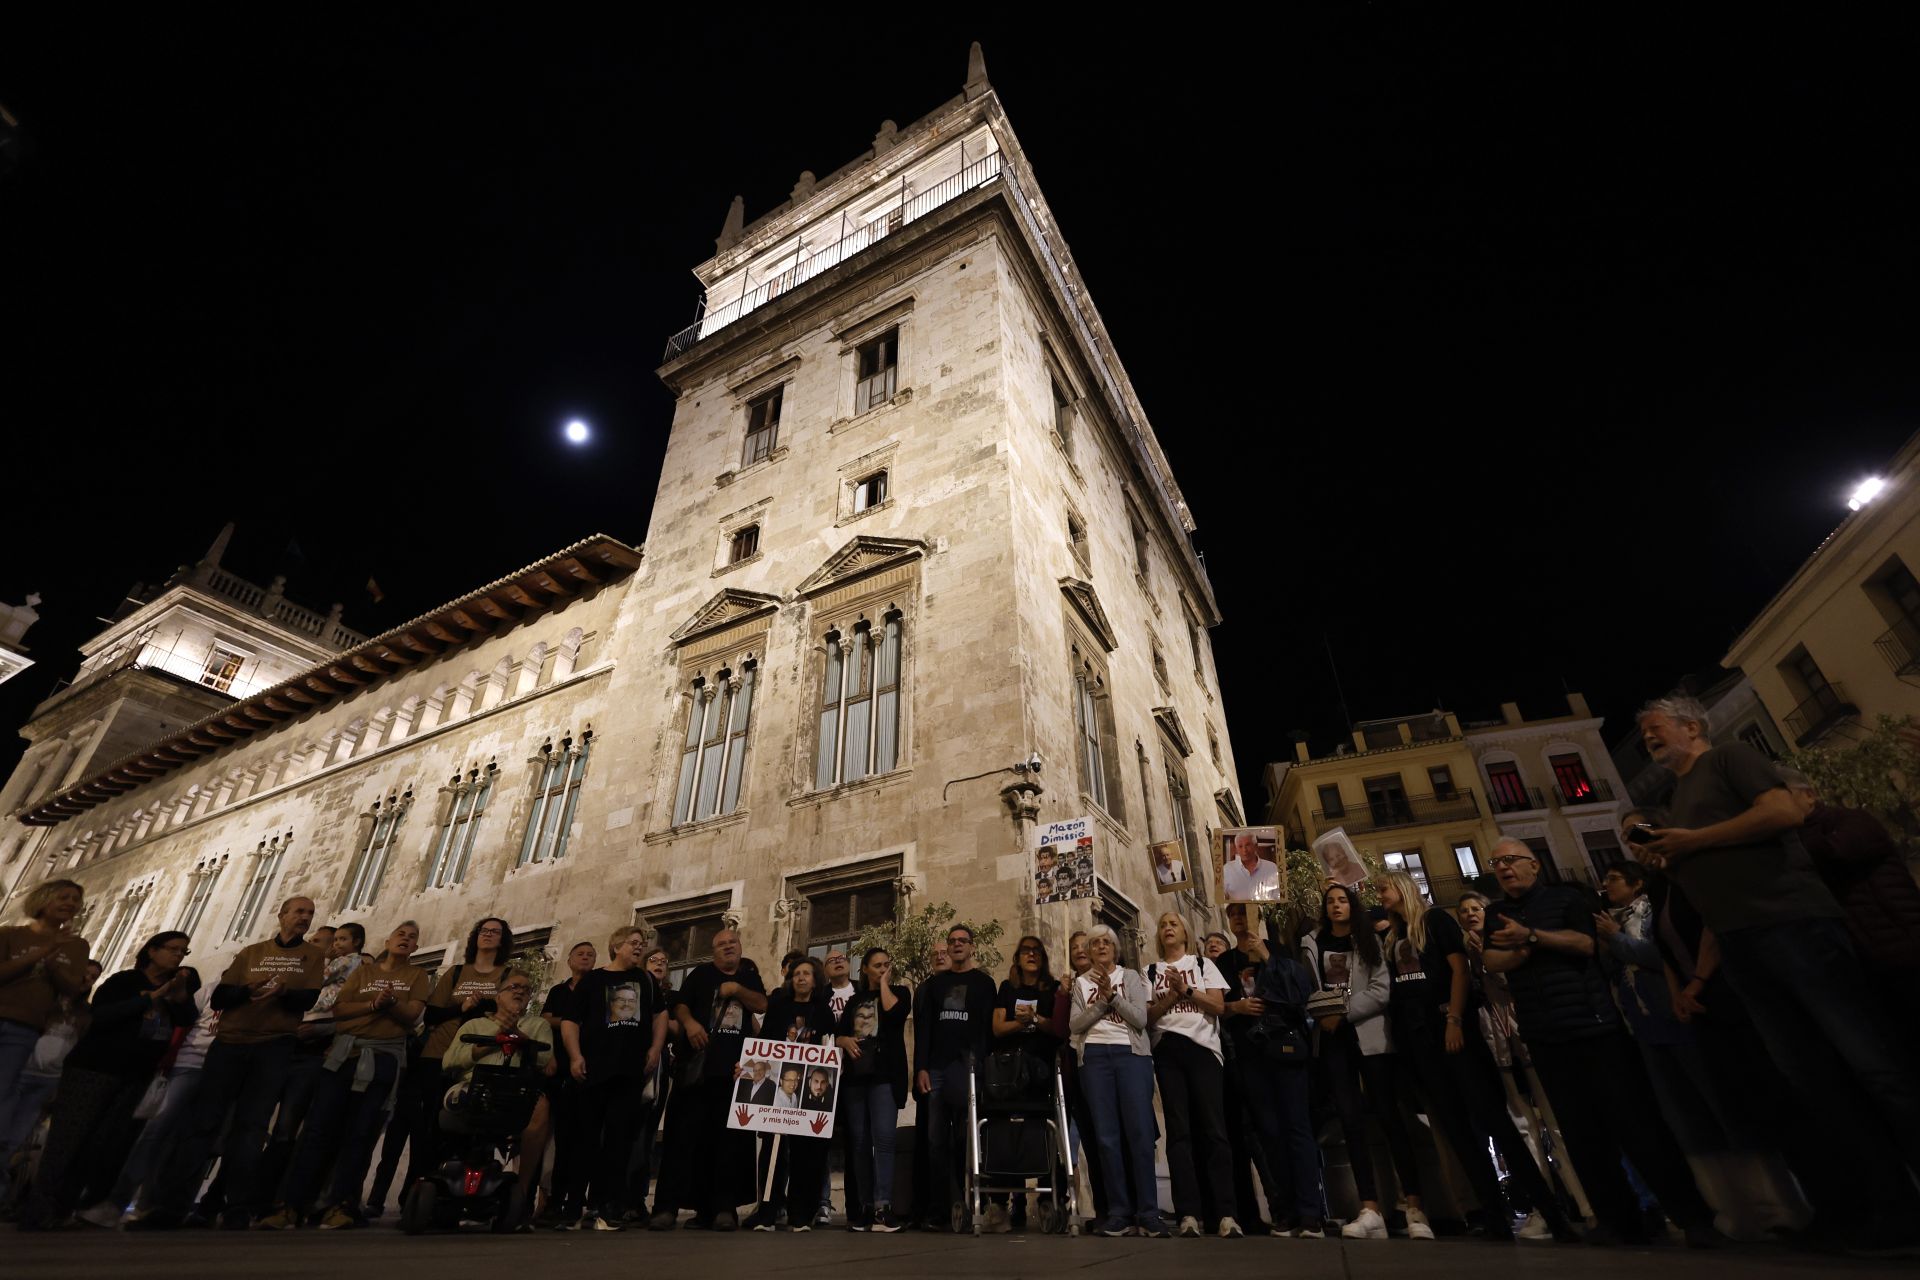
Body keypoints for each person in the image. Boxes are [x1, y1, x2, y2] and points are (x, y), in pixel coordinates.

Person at [1638, 697, 1920, 1247]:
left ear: (1691, 726)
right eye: (1644, 732)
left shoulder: (1730, 758)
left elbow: (1783, 813)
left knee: (1873, 1064)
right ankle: (1892, 1207)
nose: (1647, 737)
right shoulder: (1677, 797)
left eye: (1654, 727)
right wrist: (1674, 859)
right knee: (1817, 1081)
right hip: (1742, 944)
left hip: (1793, 924)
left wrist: (1694, 841)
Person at [1479, 836, 1719, 1247]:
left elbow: (1585, 943)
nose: (1503, 867)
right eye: (1496, 862)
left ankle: (1690, 1216)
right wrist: (1524, 951)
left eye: (1512, 859)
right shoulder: (1495, 913)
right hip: (1544, 1035)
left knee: (1638, 1126)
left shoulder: (1567, 899)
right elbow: (1491, 959)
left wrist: (1530, 937)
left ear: (1534, 865)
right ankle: (1617, 1220)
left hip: (1595, 1029)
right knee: (1581, 1135)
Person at [1377, 871, 1574, 1244]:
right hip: (1421, 1044)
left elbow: (1459, 970)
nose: (1380, 895)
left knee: (1495, 1123)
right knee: (1458, 1134)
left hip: (1453, 1033)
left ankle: (1550, 1212)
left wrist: (1454, 1019)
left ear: (1401, 888)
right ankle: (1493, 1217)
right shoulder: (1393, 936)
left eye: (1383, 888)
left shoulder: (1435, 921)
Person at [132, 895, 326, 1230]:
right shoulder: (251, 952)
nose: (305, 917)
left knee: (251, 1127)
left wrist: (282, 993)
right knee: (202, 1124)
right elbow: (221, 997)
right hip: (230, 1043)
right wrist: (247, 990)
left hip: (273, 1046)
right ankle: (171, 1207)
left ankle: (236, 1207)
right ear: (282, 914)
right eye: (299, 911)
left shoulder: (313, 956)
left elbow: (308, 999)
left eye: (310, 913)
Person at [20, 933, 198, 1230]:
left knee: (102, 1144)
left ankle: (65, 1208)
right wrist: (151, 997)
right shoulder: (124, 981)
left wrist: (179, 996)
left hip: (135, 1076)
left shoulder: (174, 991)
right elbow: (101, 1015)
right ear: (152, 951)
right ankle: (38, 1211)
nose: (178, 955)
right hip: (96, 1068)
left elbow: (187, 1018)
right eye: (173, 949)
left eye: (184, 951)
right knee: (69, 1140)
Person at [261, 920, 430, 1229]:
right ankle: (291, 1205)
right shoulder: (363, 972)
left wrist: (390, 1004)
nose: (405, 939)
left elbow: (412, 1015)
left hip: (382, 1059)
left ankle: (339, 1205)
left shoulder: (417, 976)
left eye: (412, 937)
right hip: (343, 1056)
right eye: (400, 934)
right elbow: (340, 1011)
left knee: (360, 1132)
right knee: (317, 1130)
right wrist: (375, 1004)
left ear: (416, 947)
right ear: (388, 941)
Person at [1301, 883, 1423, 1239]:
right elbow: (1310, 987)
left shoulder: (1368, 942)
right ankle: (1369, 1207)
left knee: (1389, 1116)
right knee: (1350, 1121)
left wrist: (1342, 1013)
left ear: (1353, 906)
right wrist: (1324, 1016)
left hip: (1370, 1037)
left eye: (1343, 900)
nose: (1336, 905)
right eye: (1330, 901)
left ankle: (1414, 1205)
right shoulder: (1312, 944)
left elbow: (1381, 990)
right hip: (1333, 1042)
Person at [1780, 767, 1920, 1064]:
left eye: (1782, 797)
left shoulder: (1850, 821)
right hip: (1874, 959)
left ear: (1809, 794)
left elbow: (1833, 852)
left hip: (1904, 944)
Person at [1218, 912, 1326, 1237]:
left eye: (1245, 911)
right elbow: (1216, 1005)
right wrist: (1235, 1007)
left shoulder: (1278, 951)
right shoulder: (1225, 961)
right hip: (1250, 1055)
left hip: (1285, 1049)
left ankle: (1311, 1213)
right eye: (1233, 912)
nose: (1240, 918)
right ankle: (1287, 1211)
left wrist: (1266, 956)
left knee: (1297, 1128)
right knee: (1270, 1133)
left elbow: (1300, 992)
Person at [651, 927, 766, 1232]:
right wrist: (689, 1024)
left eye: (732, 942)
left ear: (740, 947)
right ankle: (666, 1208)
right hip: (696, 1071)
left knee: (727, 1145)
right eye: (721, 944)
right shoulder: (700, 974)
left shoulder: (748, 976)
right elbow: (679, 1004)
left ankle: (723, 1208)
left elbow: (761, 1004)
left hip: (734, 1074)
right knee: (682, 1142)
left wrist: (737, 989)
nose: (728, 947)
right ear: (713, 951)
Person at [560, 925, 668, 1231]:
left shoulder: (645, 980)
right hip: (594, 1071)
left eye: (642, 943)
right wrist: (575, 1056)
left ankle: (608, 1207)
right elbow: (570, 1021)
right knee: (585, 1139)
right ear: (616, 946)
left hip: (630, 1073)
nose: (639, 947)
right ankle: (572, 1206)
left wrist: (656, 1048)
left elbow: (660, 1015)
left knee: (619, 1142)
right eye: (633, 942)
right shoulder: (594, 980)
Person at [1143, 912, 1241, 1238]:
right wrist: (1171, 996)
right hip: (1168, 1051)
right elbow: (1148, 1017)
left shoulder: (1202, 965)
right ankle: (1188, 1213)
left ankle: (1225, 1212)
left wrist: (1185, 989)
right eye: (1163, 924)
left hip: (1203, 1050)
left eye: (1173, 923)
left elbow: (1218, 1007)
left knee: (1214, 1131)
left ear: (1185, 932)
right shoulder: (1150, 971)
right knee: (1178, 1132)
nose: (1167, 928)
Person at [401, 917, 513, 1198]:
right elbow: (432, 1015)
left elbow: (510, 1012)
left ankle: (459, 1194)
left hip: (479, 1060)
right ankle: (416, 1192)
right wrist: (463, 1007)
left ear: (503, 939)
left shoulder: (508, 974)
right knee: (428, 1127)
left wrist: (482, 1006)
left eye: (495, 932)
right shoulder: (456, 972)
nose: (488, 935)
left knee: (468, 1129)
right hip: (438, 1054)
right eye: (484, 930)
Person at [257, 921, 369, 1203]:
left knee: (294, 1129)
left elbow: (323, 984)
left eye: (339, 940)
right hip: (290, 1044)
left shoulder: (348, 964)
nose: (333, 946)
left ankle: (282, 1195)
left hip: (318, 1049)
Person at [1069, 924, 1168, 1238]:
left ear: (1115, 949)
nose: (1100, 947)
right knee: (1106, 1138)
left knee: (1140, 1135)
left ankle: (1148, 1213)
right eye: (1095, 943)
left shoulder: (1131, 977)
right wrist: (1102, 1003)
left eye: (1106, 942)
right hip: (1095, 1059)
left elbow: (1140, 1018)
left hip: (1131, 1056)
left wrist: (1113, 997)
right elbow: (1075, 1025)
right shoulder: (1081, 982)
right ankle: (1119, 1213)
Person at [442, 968, 557, 1230]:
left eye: (525, 989)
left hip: (515, 1092)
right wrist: (489, 1044)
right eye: (514, 986)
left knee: (540, 1105)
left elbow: (547, 1063)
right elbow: (448, 1061)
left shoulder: (537, 1025)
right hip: (472, 1086)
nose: (520, 992)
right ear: (498, 995)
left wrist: (517, 1035)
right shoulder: (474, 1025)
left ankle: (522, 1193)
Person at [0, 880, 91, 1190]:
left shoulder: (76, 946)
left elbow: (72, 988)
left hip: (26, 1026)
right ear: (43, 900)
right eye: (63, 897)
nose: (70, 903)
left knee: (4, 1091)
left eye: (75, 900)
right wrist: (43, 952)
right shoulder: (10, 934)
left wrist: (52, 964)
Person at [913, 924, 997, 1231]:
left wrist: (982, 1068)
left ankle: (971, 1204)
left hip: (969, 1069)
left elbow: (987, 1030)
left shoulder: (984, 983)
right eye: (952, 941)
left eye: (963, 940)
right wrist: (921, 1068)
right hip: (936, 1069)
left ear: (972, 946)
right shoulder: (935, 985)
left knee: (967, 1139)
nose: (957, 945)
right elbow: (925, 1030)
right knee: (936, 1141)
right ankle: (937, 1211)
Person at [985, 934, 1068, 1232]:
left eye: (1036, 951)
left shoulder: (1053, 989)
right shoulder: (1007, 989)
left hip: (1040, 1070)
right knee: (1005, 1133)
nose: (1031, 955)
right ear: (1018, 958)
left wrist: (1037, 1019)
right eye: (1025, 951)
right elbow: (997, 1028)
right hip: (1008, 1072)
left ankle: (1048, 1198)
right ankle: (1003, 1202)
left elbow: (1058, 1028)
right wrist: (1021, 1023)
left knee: (1043, 1132)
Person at [745, 956, 834, 1232]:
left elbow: (829, 1049)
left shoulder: (823, 1011)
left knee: (805, 1153)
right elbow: (764, 1042)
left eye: (807, 973)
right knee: (772, 1149)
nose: (801, 978)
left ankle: (800, 1214)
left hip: (807, 1089)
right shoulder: (778, 1006)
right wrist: (749, 1067)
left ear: (815, 980)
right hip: (777, 1083)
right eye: (797, 974)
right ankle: (767, 1211)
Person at [835, 946, 909, 1232]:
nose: (882, 968)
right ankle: (865, 1206)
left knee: (885, 1140)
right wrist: (843, 1041)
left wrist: (884, 984)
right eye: (877, 965)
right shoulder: (854, 1001)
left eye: (886, 964)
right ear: (864, 968)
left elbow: (894, 1013)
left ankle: (883, 1206)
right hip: (855, 1079)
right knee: (860, 1143)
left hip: (885, 1077)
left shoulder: (900, 992)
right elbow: (839, 1033)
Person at [536, 939, 596, 1225]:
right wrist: (572, 1022)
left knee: (584, 1138)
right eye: (580, 954)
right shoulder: (559, 991)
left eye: (590, 955)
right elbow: (545, 1020)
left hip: (589, 1070)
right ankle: (552, 1199)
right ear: (570, 960)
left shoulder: (597, 988)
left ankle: (576, 1200)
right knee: (560, 1138)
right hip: (559, 1070)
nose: (585, 958)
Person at [1222, 832, 1280, 901]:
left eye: (1247, 845)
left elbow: (1278, 895)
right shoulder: (1227, 869)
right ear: (1236, 849)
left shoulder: (1272, 867)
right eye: (1240, 846)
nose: (1244, 850)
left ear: (1256, 846)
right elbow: (1222, 896)